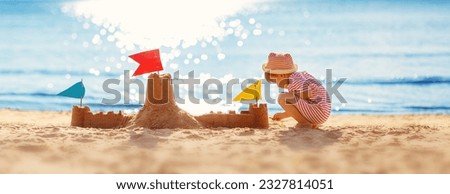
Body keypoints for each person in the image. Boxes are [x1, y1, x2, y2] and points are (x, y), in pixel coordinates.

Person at [262, 52, 331, 128]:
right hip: (320, 113)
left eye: (275, 81)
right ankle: (307, 122)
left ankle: (304, 123)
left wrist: (295, 96)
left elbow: (308, 93)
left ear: (282, 75)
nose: (276, 84)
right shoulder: (297, 77)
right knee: (287, 97)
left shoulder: (294, 80)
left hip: (318, 111)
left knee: (282, 98)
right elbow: (300, 106)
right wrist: (282, 115)